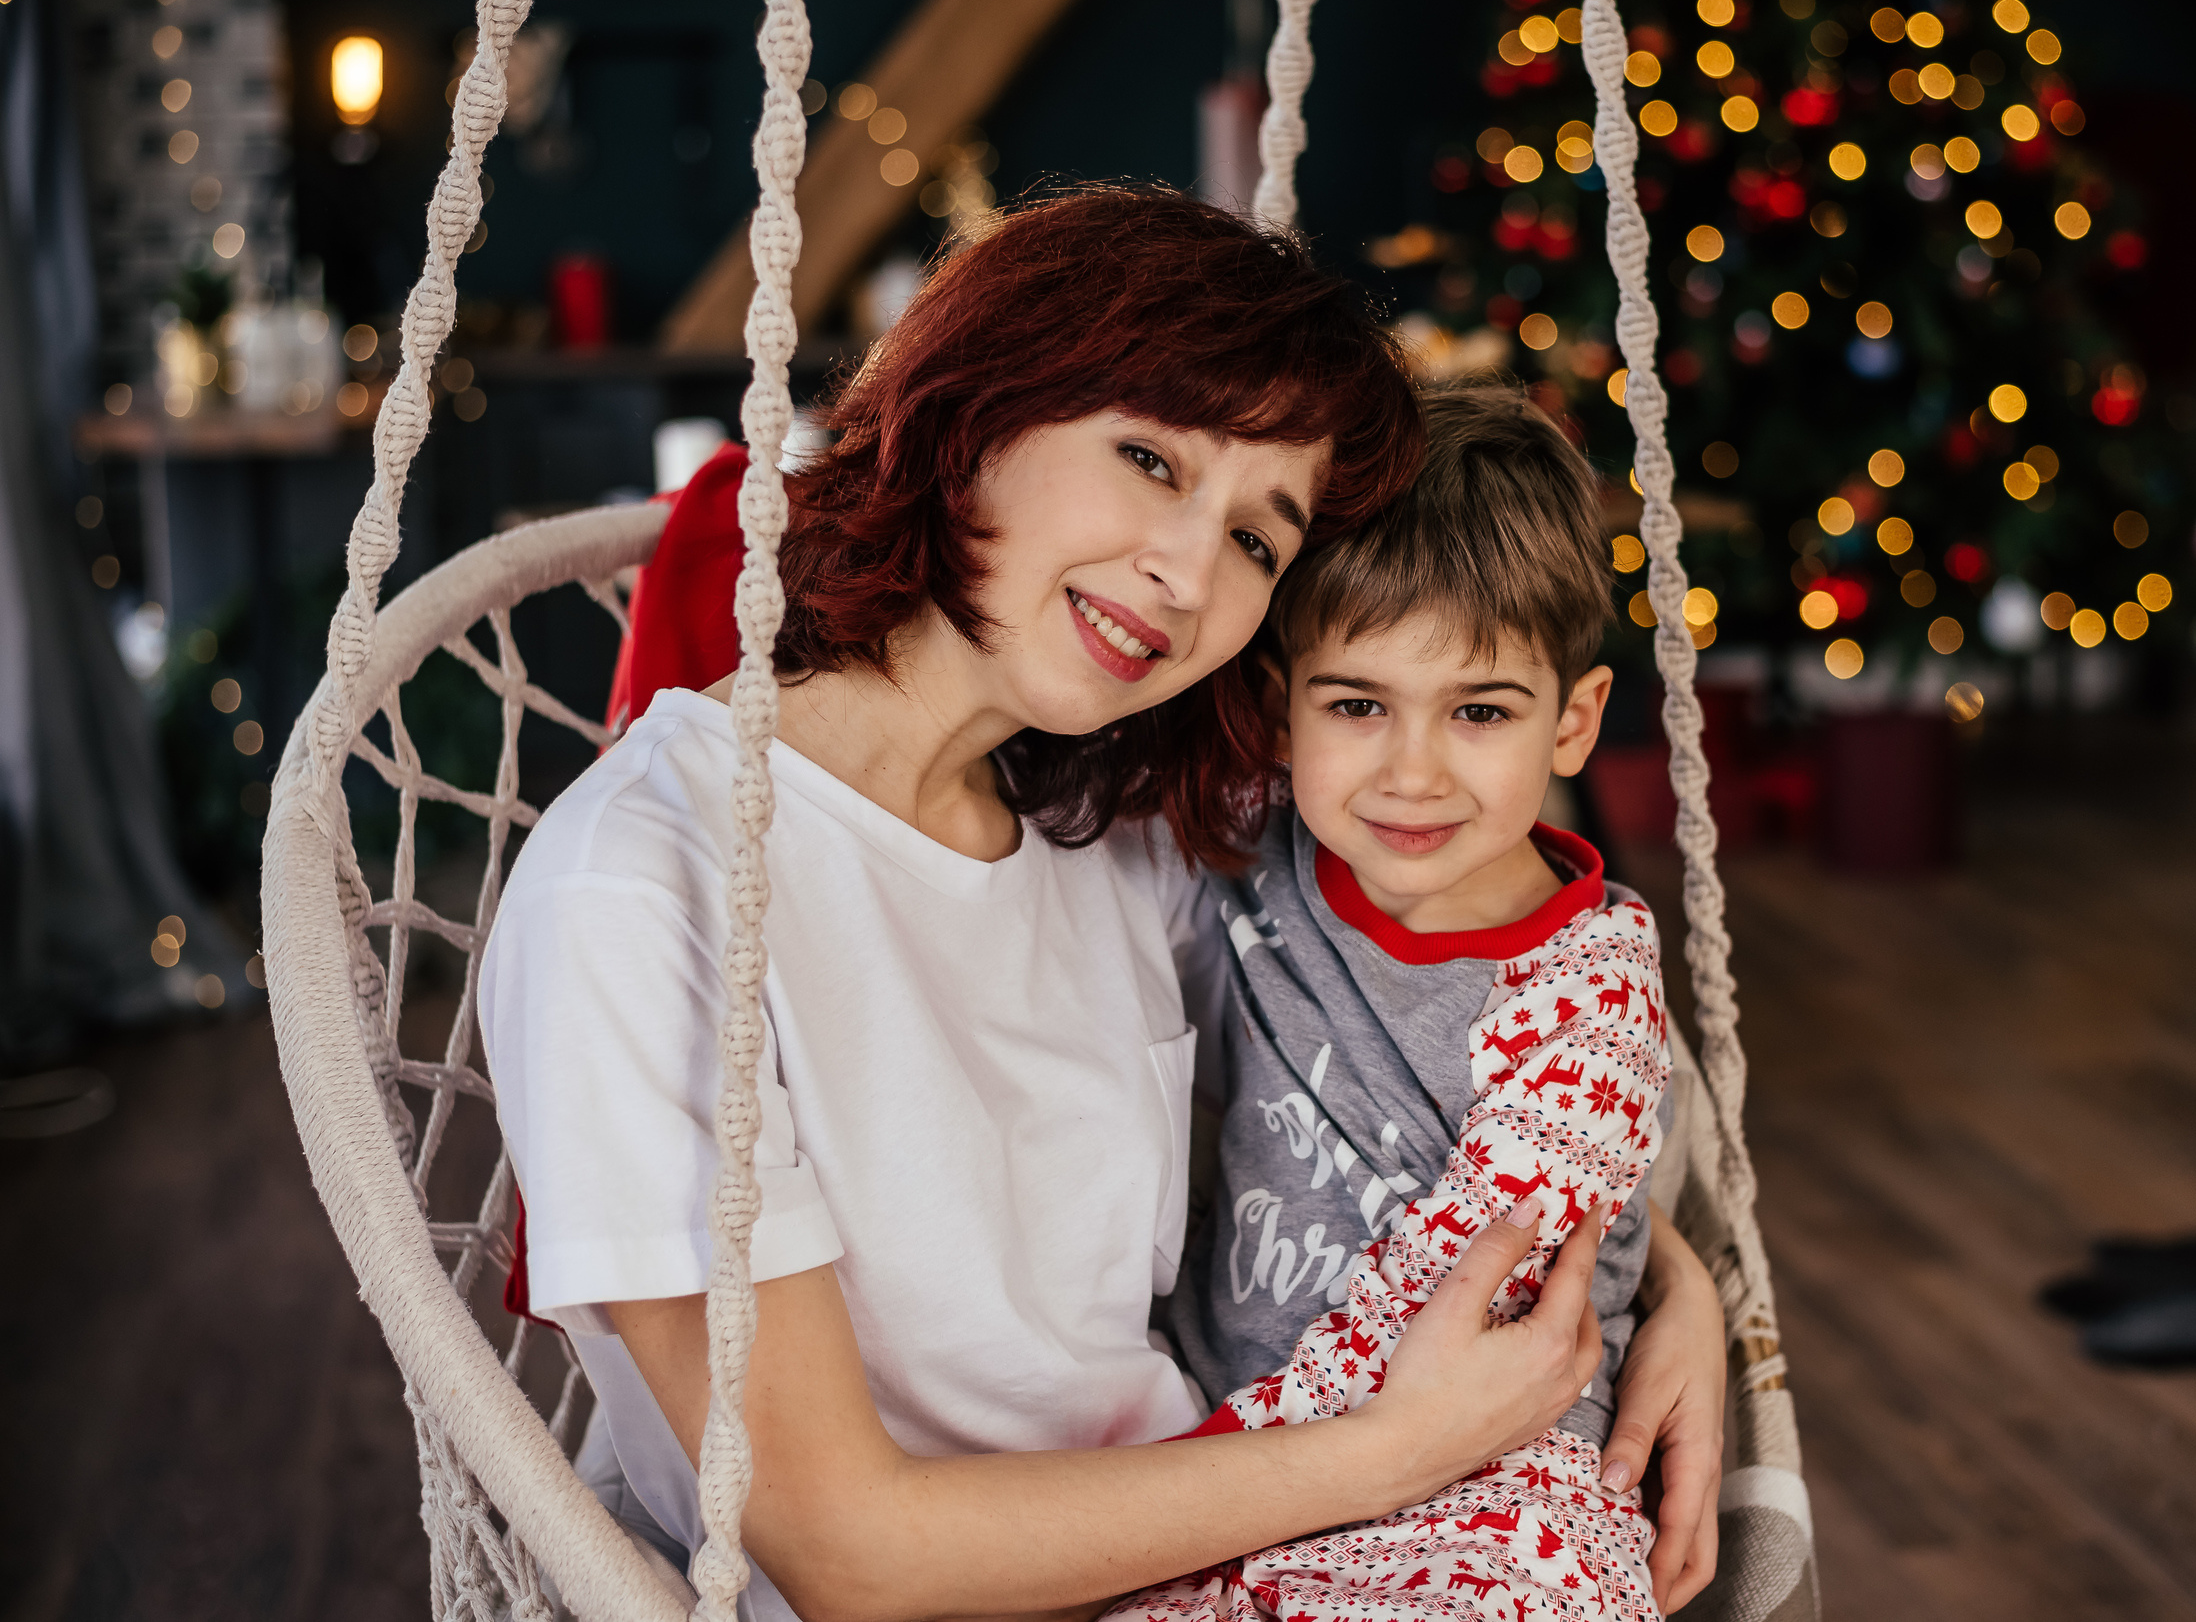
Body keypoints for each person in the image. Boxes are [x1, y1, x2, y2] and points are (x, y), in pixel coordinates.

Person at [485, 188, 1727, 1622]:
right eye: (1149, 459)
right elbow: (850, 1553)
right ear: (980, 414)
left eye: (1261, 540)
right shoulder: (645, 890)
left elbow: (1410, 1076)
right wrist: (1391, 1450)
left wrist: (1649, 1288)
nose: (1192, 572)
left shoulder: (1123, 831)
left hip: (1254, 1547)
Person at [1125, 384, 1688, 1622]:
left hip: (1493, 1463)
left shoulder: (1587, 990)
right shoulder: (1254, 849)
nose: (1412, 771)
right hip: (1235, 1454)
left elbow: (1454, 1284)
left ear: (1574, 720)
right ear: (1282, 710)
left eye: (1480, 710)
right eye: (1357, 704)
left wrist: (1177, 1501)